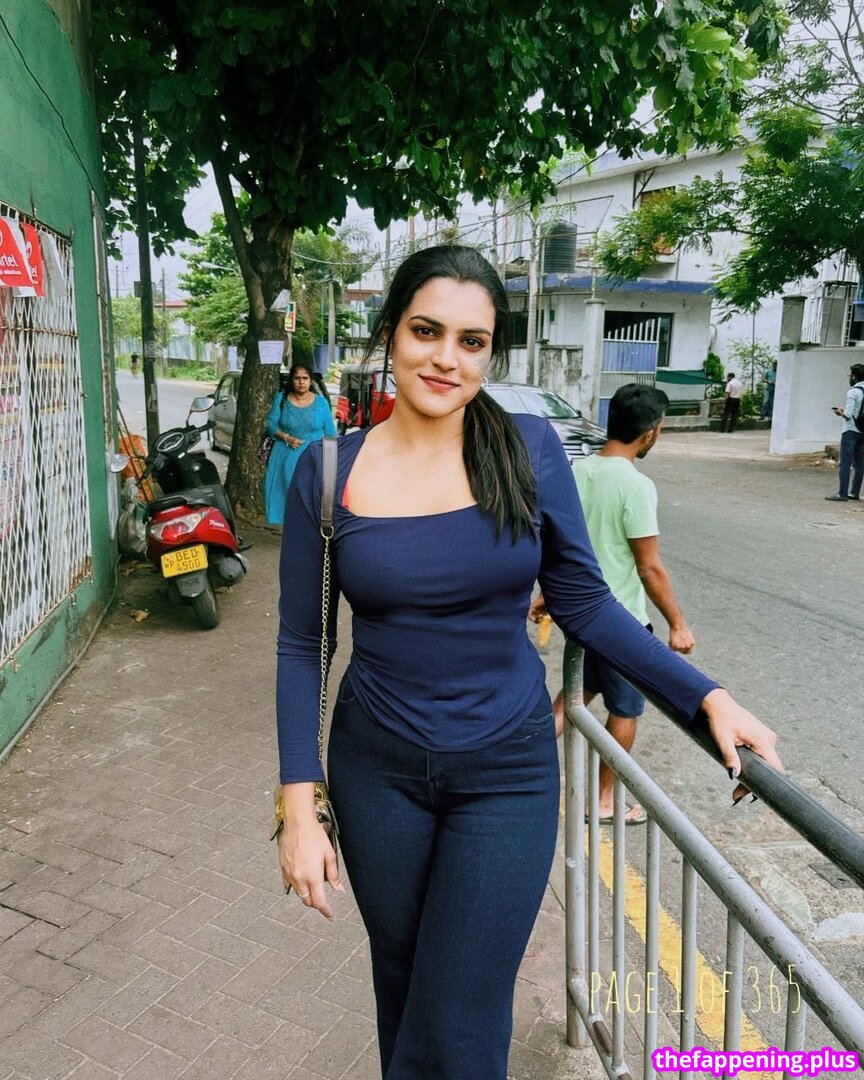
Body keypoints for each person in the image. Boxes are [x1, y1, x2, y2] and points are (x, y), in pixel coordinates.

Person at [274, 246, 781, 1080]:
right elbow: (304, 643)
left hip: (505, 774)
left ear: (491, 354)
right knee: (405, 986)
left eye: (472, 341)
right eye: (427, 331)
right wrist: (299, 804)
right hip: (376, 774)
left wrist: (705, 697)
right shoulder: (328, 471)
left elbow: (585, 605)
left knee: (461, 1014)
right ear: (391, 332)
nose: (446, 357)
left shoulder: (529, 449)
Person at [534, 384, 695, 826]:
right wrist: (677, 624)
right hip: (620, 622)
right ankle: (605, 801)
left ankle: (517, 765)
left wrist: (550, 593)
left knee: (574, 697)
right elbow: (649, 568)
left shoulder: (577, 471)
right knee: (624, 710)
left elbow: (560, 545)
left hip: (580, 617)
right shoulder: (636, 486)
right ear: (652, 432)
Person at [263, 361, 336, 526]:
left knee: (311, 498)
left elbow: (331, 434)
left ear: (310, 381)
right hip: (285, 456)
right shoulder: (281, 399)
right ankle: (292, 530)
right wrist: (286, 438)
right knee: (288, 499)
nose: (301, 382)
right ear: (292, 380)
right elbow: (271, 425)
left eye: (305, 378)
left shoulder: (320, 403)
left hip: (313, 458)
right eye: (297, 378)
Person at [826, 362, 864, 502]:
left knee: (845, 462)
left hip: (850, 430)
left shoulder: (853, 392)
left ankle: (842, 493)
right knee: (860, 463)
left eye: (850, 375)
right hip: (863, 431)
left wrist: (839, 412)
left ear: (854, 376)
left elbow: (848, 414)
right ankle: (854, 493)